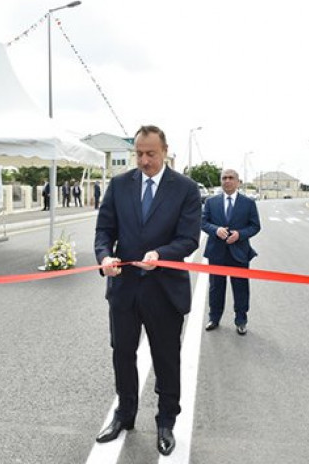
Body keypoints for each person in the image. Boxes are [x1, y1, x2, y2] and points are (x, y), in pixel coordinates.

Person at [94, 125, 201, 456]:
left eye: (150, 154)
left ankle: (166, 421)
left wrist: (161, 254)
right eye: (139, 154)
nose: (144, 160)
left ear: (164, 151)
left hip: (164, 289)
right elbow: (104, 231)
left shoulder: (185, 189)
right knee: (123, 354)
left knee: (166, 358)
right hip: (124, 289)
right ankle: (124, 415)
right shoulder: (119, 185)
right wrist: (104, 257)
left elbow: (189, 239)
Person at [201, 169, 261, 335]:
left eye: (231, 178)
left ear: (238, 182)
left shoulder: (248, 203)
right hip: (216, 252)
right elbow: (203, 222)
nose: (227, 181)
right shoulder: (211, 202)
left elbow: (255, 226)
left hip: (239, 253)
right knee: (216, 288)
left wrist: (239, 235)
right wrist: (216, 230)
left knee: (241, 288)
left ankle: (241, 320)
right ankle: (214, 318)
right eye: (224, 178)